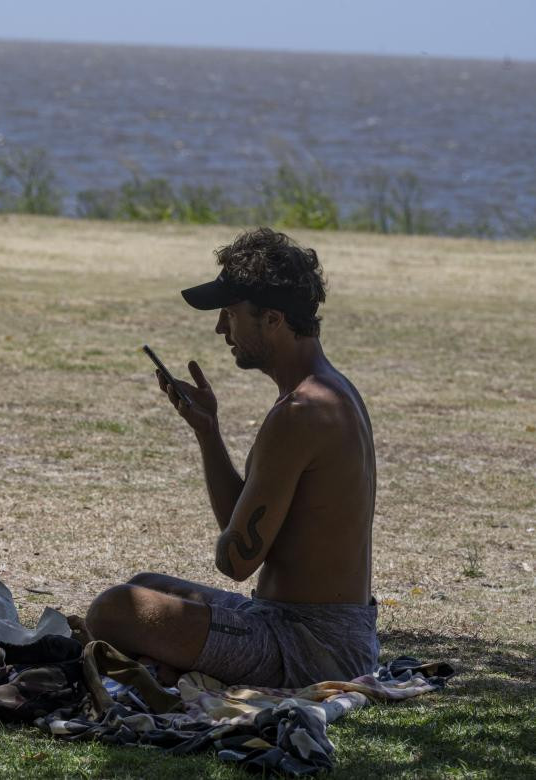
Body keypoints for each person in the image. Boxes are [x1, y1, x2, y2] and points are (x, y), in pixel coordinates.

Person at [84, 227, 379, 689]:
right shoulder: (330, 390)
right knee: (145, 585)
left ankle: (165, 665)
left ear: (273, 319)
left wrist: (237, 538)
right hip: (313, 630)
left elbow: (236, 561)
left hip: (309, 648)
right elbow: (247, 536)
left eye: (230, 313)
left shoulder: (301, 413)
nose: (221, 329)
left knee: (114, 609)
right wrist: (208, 432)